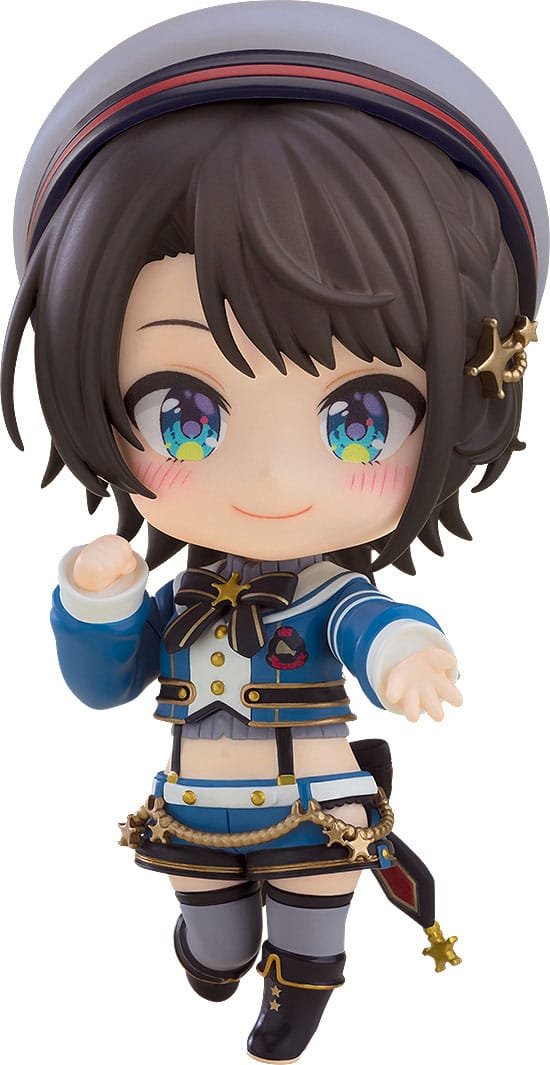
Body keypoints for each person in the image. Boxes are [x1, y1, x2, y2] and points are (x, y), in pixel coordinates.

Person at [2, 4, 546, 1061]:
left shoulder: (326, 593)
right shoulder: (184, 593)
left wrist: (408, 652)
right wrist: (100, 600)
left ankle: (303, 983)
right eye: (183, 413)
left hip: (313, 795)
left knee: (312, 904)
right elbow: (106, 683)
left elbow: (369, 624)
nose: (272, 481)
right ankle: (211, 949)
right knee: (207, 921)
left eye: (359, 419)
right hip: (193, 804)